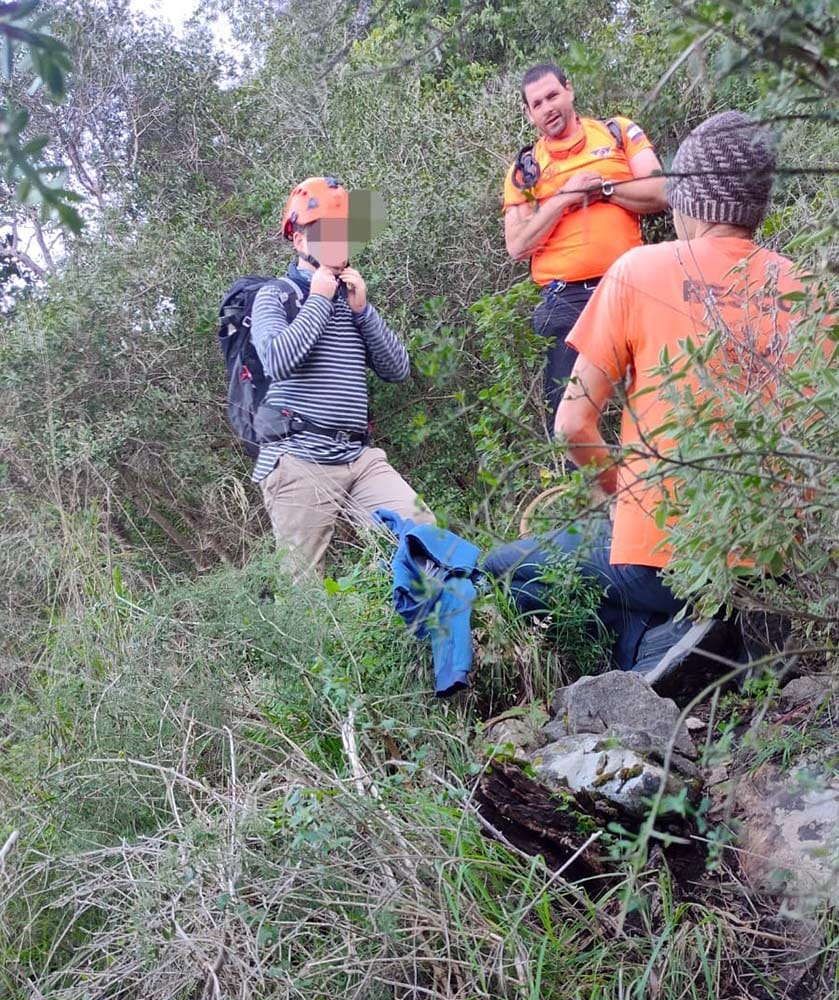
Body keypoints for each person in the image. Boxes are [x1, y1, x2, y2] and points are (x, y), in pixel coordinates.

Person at [487, 110, 821, 700]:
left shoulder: (638, 270)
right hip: (775, 563)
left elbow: (573, 425)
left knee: (497, 569)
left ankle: (664, 641)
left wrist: (612, 496)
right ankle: (708, 632)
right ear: (758, 205)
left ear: (686, 197)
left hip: (660, 560)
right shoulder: (807, 291)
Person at [251, 175, 435, 577]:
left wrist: (363, 312)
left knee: (420, 531)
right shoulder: (275, 295)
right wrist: (317, 299)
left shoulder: (352, 298)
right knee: (304, 590)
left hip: (357, 455)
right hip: (298, 457)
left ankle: (418, 630)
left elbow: (397, 370)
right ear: (299, 240)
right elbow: (277, 361)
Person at [503, 63, 668, 424]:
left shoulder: (617, 133)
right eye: (537, 103)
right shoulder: (526, 169)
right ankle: (583, 483)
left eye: (552, 95)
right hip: (564, 300)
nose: (548, 107)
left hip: (630, 286)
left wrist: (605, 189)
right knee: (569, 421)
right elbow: (516, 245)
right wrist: (564, 197)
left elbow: (662, 191)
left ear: (569, 90)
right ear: (529, 114)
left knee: (656, 402)